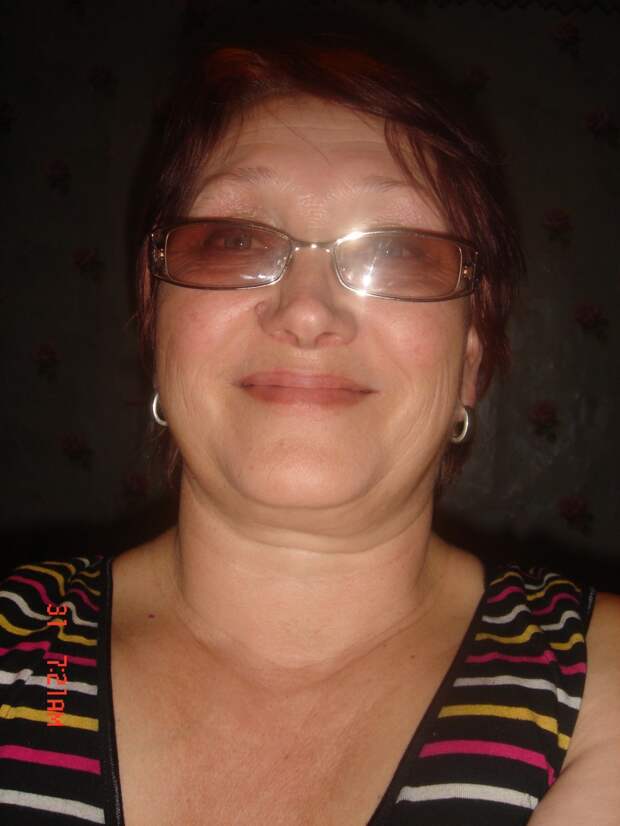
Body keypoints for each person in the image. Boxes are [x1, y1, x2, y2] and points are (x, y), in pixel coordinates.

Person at [1, 31, 619, 826]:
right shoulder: (21, 650)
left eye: (396, 250)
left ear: (472, 354)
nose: (306, 312)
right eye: (233, 240)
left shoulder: (600, 685)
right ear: (154, 321)